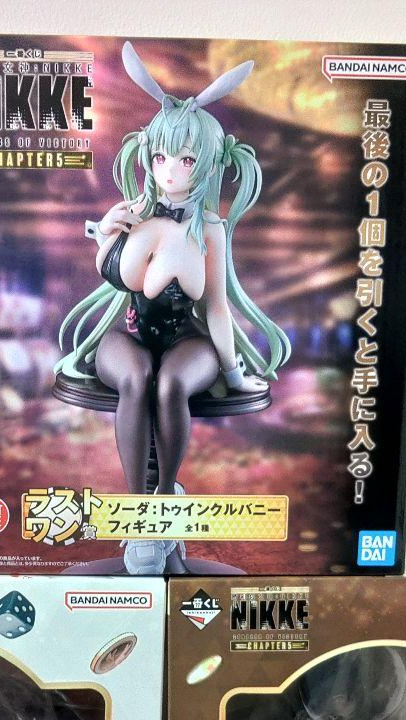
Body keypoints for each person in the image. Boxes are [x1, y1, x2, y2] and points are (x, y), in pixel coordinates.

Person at [58, 41, 290, 574]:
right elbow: (112, 274)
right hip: (130, 333)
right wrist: (104, 236)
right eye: (161, 157)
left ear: (204, 163)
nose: (170, 170)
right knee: (136, 378)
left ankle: (164, 503)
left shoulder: (210, 228)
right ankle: (138, 512)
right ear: (148, 156)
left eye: (185, 159)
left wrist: (232, 371)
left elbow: (217, 307)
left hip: (189, 339)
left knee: (169, 385)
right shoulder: (132, 213)